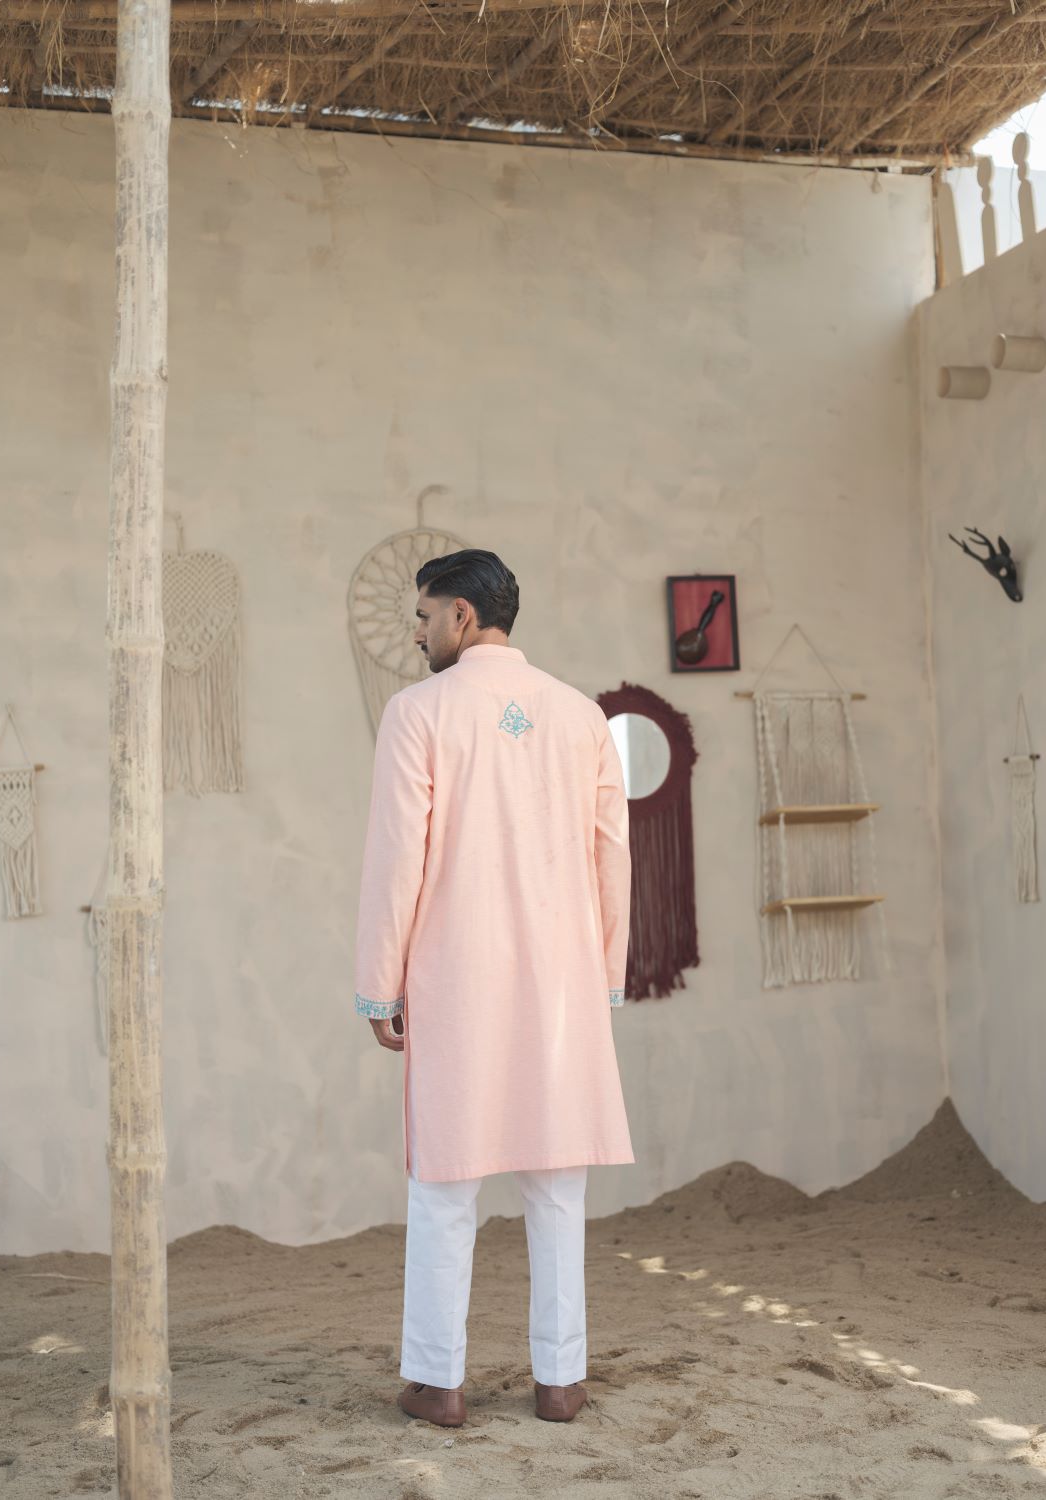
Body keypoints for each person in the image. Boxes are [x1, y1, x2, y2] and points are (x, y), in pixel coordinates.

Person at [354, 548, 635, 1428]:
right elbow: (612, 856)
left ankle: (438, 1383)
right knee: (557, 1186)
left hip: (457, 979)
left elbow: (397, 860)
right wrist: (606, 979)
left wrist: (379, 986)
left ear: (462, 616)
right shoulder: (581, 714)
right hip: (563, 985)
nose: (417, 631)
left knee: (445, 1185)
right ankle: (561, 1381)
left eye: (423, 614)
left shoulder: (417, 712)